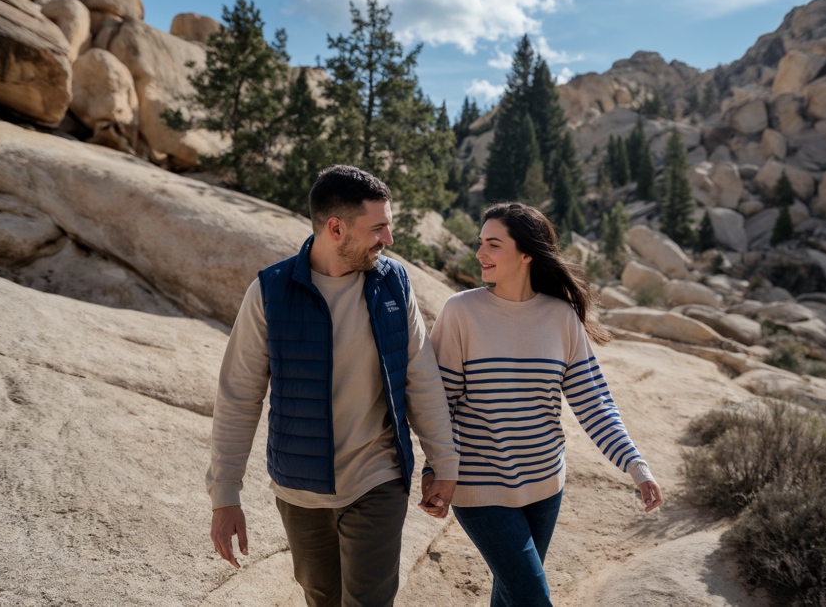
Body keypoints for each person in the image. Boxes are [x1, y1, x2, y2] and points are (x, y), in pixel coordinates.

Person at [206, 165, 459, 607]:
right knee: (322, 598)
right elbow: (239, 396)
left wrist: (445, 460)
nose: (388, 239)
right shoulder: (271, 292)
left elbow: (420, 376)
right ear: (335, 228)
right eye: (377, 228)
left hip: (378, 479)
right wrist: (225, 494)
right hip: (300, 490)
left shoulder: (393, 284)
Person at [421, 202, 664, 607]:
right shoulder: (461, 312)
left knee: (512, 593)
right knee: (532, 597)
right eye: (480, 242)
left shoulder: (560, 317)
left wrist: (636, 466)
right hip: (480, 486)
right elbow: (438, 403)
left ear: (527, 253)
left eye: (493, 244)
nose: (480, 253)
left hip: (545, 484)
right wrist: (437, 469)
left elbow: (594, 402)